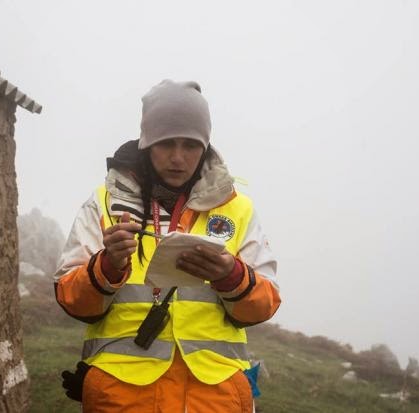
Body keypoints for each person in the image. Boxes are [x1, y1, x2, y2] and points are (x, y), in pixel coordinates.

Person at [54, 80, 281, 412]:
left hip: (215, 400)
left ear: (205, 146)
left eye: (191, 145)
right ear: (147, 144)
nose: (178, 158)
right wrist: (106, 268)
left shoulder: (238, 209)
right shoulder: (103, 203)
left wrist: (231, 276)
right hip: (121, 398)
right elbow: (71, 300)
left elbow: (265, 305)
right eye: (166, 144)